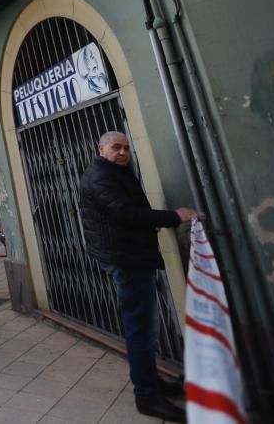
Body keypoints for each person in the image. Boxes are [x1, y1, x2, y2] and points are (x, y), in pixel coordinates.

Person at [78, 131, 197, 423]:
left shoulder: (114, 172)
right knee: (142, 328)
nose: (122, 152)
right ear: (101, 148)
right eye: (116, 147)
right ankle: (147, 396)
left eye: (126, 147)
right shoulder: (100, 177)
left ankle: (152, 383)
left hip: (129, 255)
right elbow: (125, 212)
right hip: (126, 260)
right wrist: (174, 216)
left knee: (144, 326)